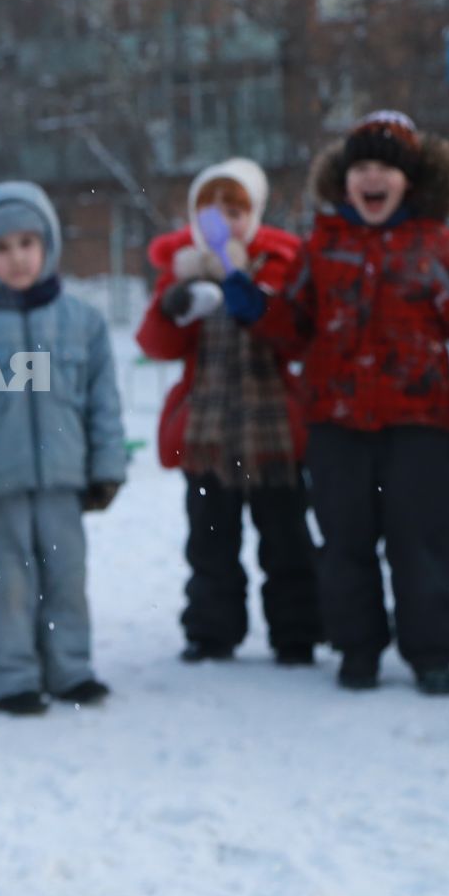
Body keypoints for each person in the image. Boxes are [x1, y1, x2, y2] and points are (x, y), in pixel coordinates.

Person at [224, 111, 449, 696]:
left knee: (422, 543)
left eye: (384, 169)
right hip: (336, 425)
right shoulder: (323, 245)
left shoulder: (438, 248)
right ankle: (357, 648)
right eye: (361, 167)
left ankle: (430, 652)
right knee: (344, 544)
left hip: (417, 425)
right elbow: (294, 327)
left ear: (408, 181)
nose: (372, 178)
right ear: (345, 181)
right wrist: (256, 307)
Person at [0, 181, 127, 716]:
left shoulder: (81, 322)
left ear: (48, 245)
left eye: (27, 243)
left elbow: (102, 402)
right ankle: (10, 676)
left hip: (65, 480)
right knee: (7, 585)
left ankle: (70, 668)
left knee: (66, 578)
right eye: (1, 247)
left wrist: (107, 466)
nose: (17, 258)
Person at [136, 158, 320, 666]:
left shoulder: (281, 265)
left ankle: (297, 631)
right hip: (208, 431)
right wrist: (173, 308)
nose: (225, 218)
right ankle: (211, 631)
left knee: (288, 542)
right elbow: (156, 345)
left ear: (254, 213)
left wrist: (260, 307)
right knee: (210, 544)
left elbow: (299, 338)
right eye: (212, 208)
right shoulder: (183, 268)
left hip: (273, 433)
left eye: (235, 209)